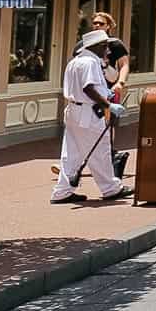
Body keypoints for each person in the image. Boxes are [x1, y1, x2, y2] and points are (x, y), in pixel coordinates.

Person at [51, 30, 130, 204]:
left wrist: (106, 94)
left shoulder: (76, 61)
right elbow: (88, 88)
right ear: (96, 46)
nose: (108, 50)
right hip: (88, 112)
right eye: (105, 46)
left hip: (74, 111)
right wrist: (108, 105)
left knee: (71, 152)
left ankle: (62, 191)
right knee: (100, 150)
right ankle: (110, 188)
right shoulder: (90, 62)